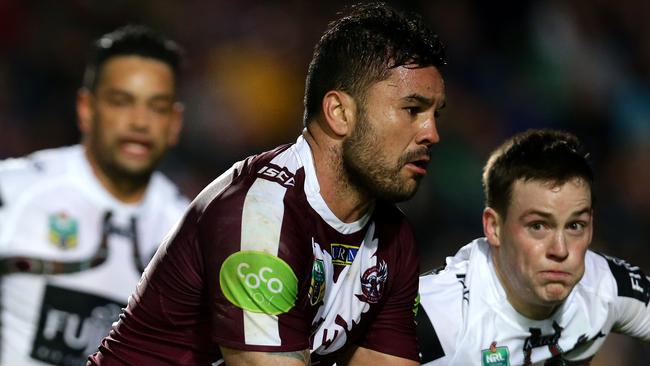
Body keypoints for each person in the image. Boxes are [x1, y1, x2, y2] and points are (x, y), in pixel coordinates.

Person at [87, 2, 447, 366]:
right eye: (412, 110)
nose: (431, 133)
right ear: (340, 113)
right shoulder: (261, 215)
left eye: (436, 114)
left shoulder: (392, 238)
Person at [0, 25, 188, 365]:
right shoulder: (15, 193)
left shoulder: (191, 236)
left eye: (156, 107)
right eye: (122, 102)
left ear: (175, 123)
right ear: (86, 108)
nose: (140, 122)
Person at [417, 129, 650, 365]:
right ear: (494, 227)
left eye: (575, 225)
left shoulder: (607, 287)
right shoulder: (432, 317)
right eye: (538, 226)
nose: (560, 250)